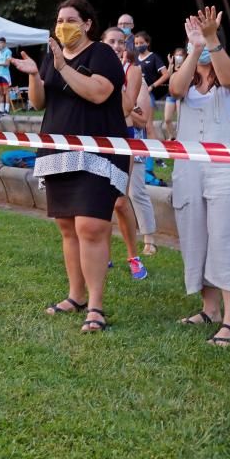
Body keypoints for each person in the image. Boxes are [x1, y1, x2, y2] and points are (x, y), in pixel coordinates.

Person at [11, 0, 129, 333]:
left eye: (71, 19)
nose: (63, 25)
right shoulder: (52, 57)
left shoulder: (102, 55)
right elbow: (40, 102)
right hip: (57, 149)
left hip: (98, 151)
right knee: (67, 227)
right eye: (59, 20)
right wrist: (37, 75)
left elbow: (98, 93)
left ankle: (96, 306)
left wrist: (63, 66)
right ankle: (75, 296)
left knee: (91, 226)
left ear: (88, 24)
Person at [170, 7, 230, 346]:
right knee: (195, 237)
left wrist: (211, 40)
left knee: (225, 238)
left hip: (227, 168)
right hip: (188, 167)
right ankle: (209, 308)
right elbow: (175, 89)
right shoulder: (187, 73)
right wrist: (194, 49)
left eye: (207, 38)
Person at [102, 27, 152, 277]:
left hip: (122, 139)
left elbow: (126, 108)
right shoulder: (93, 66)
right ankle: (104, 254)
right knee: (99, 200)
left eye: (121, 42)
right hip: (97, 137)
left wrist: (112, 78)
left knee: (121, 201)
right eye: (111, 41)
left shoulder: (133, 71)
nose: (117, 45)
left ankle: (133, 256)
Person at [162, 47, 185, 140]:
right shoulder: (172, 65)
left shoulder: (186, 66)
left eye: (181, 55)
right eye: (177, 55)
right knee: (167, 119)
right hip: (171, 94)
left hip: (181, 95)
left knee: (180, 118)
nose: (178, 57)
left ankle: (181, 137)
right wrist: (171, 64)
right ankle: (172, 136)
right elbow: (168, 75)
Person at [0, 37, 14, 114]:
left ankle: (7, 109)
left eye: (2, 43)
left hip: (5, 75)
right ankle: (1, 109)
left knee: (6, 92)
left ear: (5, 43)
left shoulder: (8, 51)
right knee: (0, 92)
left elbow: (7, 64)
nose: (0, 44)